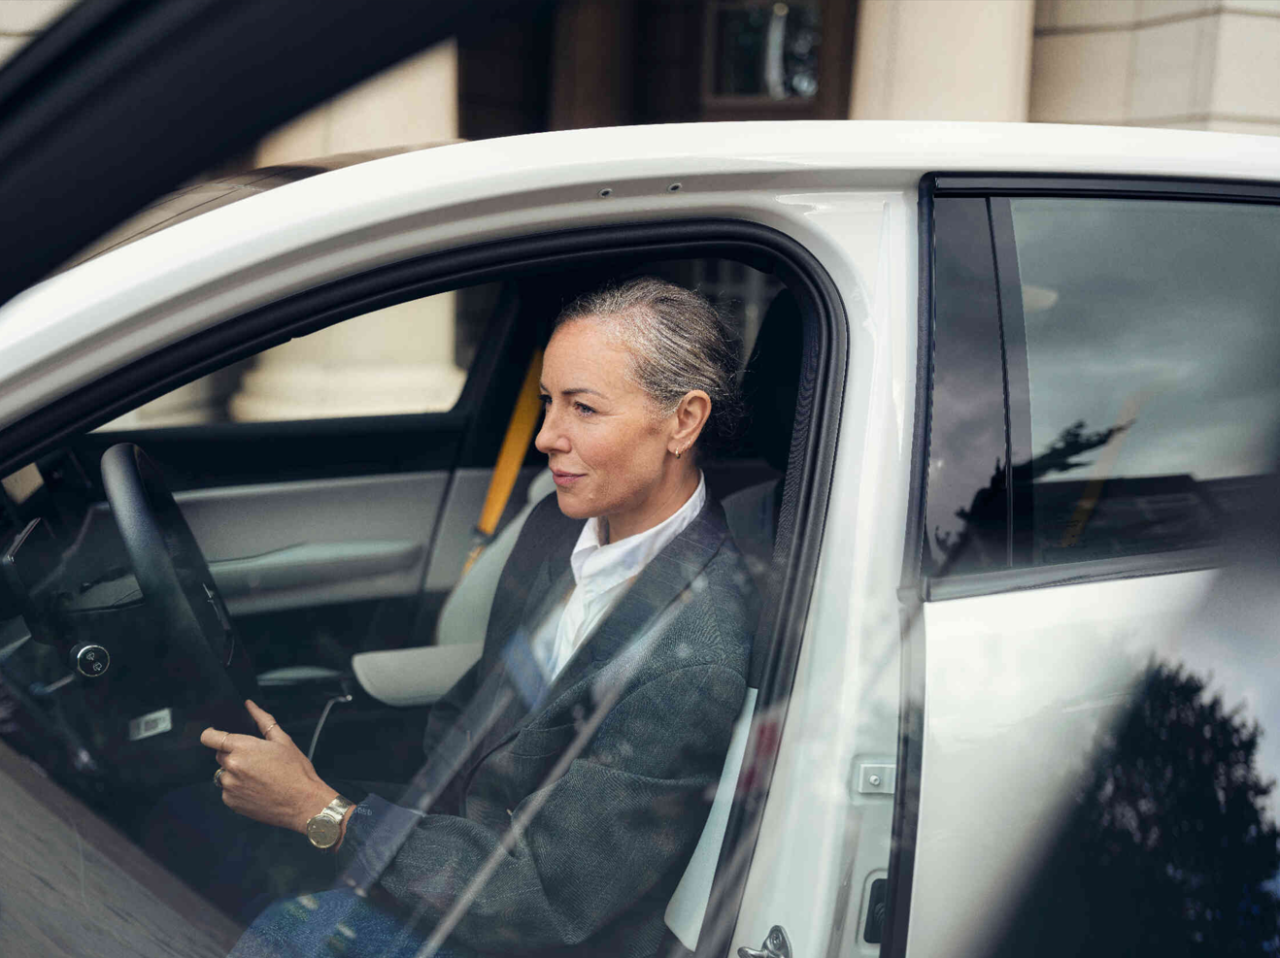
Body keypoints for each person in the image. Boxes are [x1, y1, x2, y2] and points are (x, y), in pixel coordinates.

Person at [186, 277, 755, 957]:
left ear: (684, 421)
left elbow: (543, 897)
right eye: (548, 402)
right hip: (461, 856)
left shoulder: (696, 652)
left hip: (522, 928)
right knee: (200, 828)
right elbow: (479, 715)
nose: (546, 436)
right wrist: (339, 801)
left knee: (279, 935)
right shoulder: (556, 529)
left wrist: (325, 813)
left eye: (584, 408)